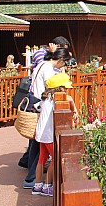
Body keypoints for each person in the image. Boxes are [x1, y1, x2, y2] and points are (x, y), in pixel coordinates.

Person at [23, 47, 71, 189]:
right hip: (41, 105)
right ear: (61, 60)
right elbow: (53, 86)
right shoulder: (49, 69)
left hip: (37, 104)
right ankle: (36, 180)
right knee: (45, 153)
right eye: (65, 63)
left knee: (36, 146)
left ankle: (34, 180)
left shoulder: (41, 64)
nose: (64, 66)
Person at [31, 72, 78, 196]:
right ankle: (47, 185)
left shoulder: (46, 98)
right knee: (54, 159)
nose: (66, 91)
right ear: (60, 88)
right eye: (65, 88)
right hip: (49, 135)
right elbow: (70, 99)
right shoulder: (56, 99)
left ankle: (37, 185)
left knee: (41, 159)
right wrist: (75, 110)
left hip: (41, 134)